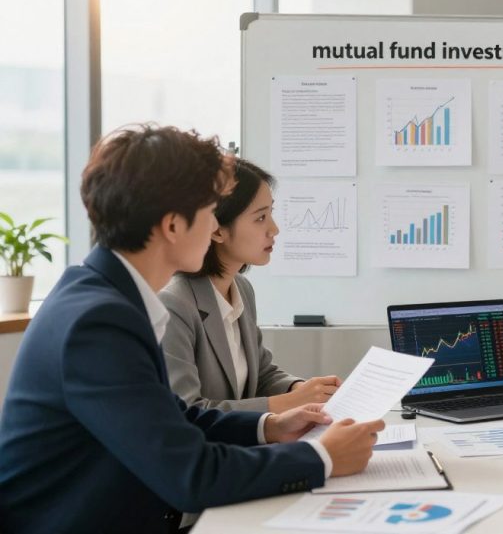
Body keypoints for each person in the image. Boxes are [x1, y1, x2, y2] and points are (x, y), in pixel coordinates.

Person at [0, 125, 384, 534]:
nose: (214, 224)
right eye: (208, 210)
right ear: (172, 226)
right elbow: (191, 476)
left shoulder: (105, 295)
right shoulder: (97, 323)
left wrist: (270, 426)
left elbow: (172, 419)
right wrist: (322, 458)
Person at [160, 158, 340, 412]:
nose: (274, 229)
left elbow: (262, 374)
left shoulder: (241, 289)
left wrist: (301, 389)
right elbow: (188, 410)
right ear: (217, 230)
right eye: (260, 218)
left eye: (271, 214)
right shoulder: (174, 304)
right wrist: (290, 403)